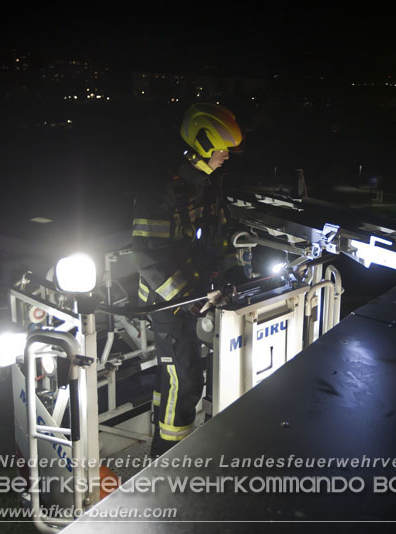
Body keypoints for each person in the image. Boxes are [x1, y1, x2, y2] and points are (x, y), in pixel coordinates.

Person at [131, 103, 242, 457]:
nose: (227, 156)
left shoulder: (207, 185)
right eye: (223, 149)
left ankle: (164, 434)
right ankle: (166, 455)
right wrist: (191, 298)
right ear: (206, 143)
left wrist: (233, 270)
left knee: (175, 377)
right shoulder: (160, 190)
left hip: (196, 295)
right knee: (186, 377)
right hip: (168, 300)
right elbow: (149, 257)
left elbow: (217, 236)